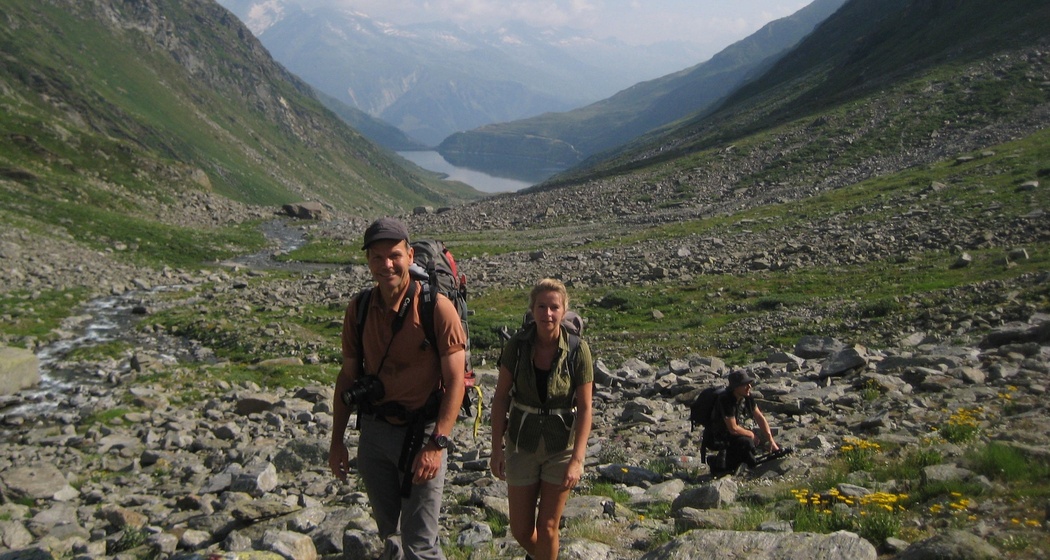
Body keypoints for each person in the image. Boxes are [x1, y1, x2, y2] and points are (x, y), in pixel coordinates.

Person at [329, 217, 467, 560]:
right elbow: (347, 377)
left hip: (423, 433)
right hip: (375, 433)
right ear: (368, 261)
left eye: (393, 255)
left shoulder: (436, 308)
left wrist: (437, 444)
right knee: (389, 531)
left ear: (409, 255)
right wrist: (337, 442)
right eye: (377, 258)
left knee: (420, 543)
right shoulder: (359, 309)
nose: (386, 264)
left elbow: (455, 382)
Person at [489, 278, 594, 560]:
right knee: (521, 530)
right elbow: (500, 398)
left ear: (564, 310)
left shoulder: (577, 350)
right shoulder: (517, 346)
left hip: (561, 446)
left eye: (554, 307)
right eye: (542, 306)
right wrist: (496, 448)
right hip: (521, 442)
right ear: (532, 309)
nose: (548, 314)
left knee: (548, 526)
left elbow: (585, 407)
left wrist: (578, 460)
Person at [711, 370, 780, 475]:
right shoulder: (725, 400)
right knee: (747, 443)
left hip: (734, 432)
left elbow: (759, 417)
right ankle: (716, 462)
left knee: (749, 447)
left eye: (749, 384)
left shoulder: (747, 396)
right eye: (745, 385)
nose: (749, 387)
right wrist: (751, 434)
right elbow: (733, 428)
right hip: (720, 436)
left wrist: (771, 441)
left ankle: (746, 460)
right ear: (735, 387)